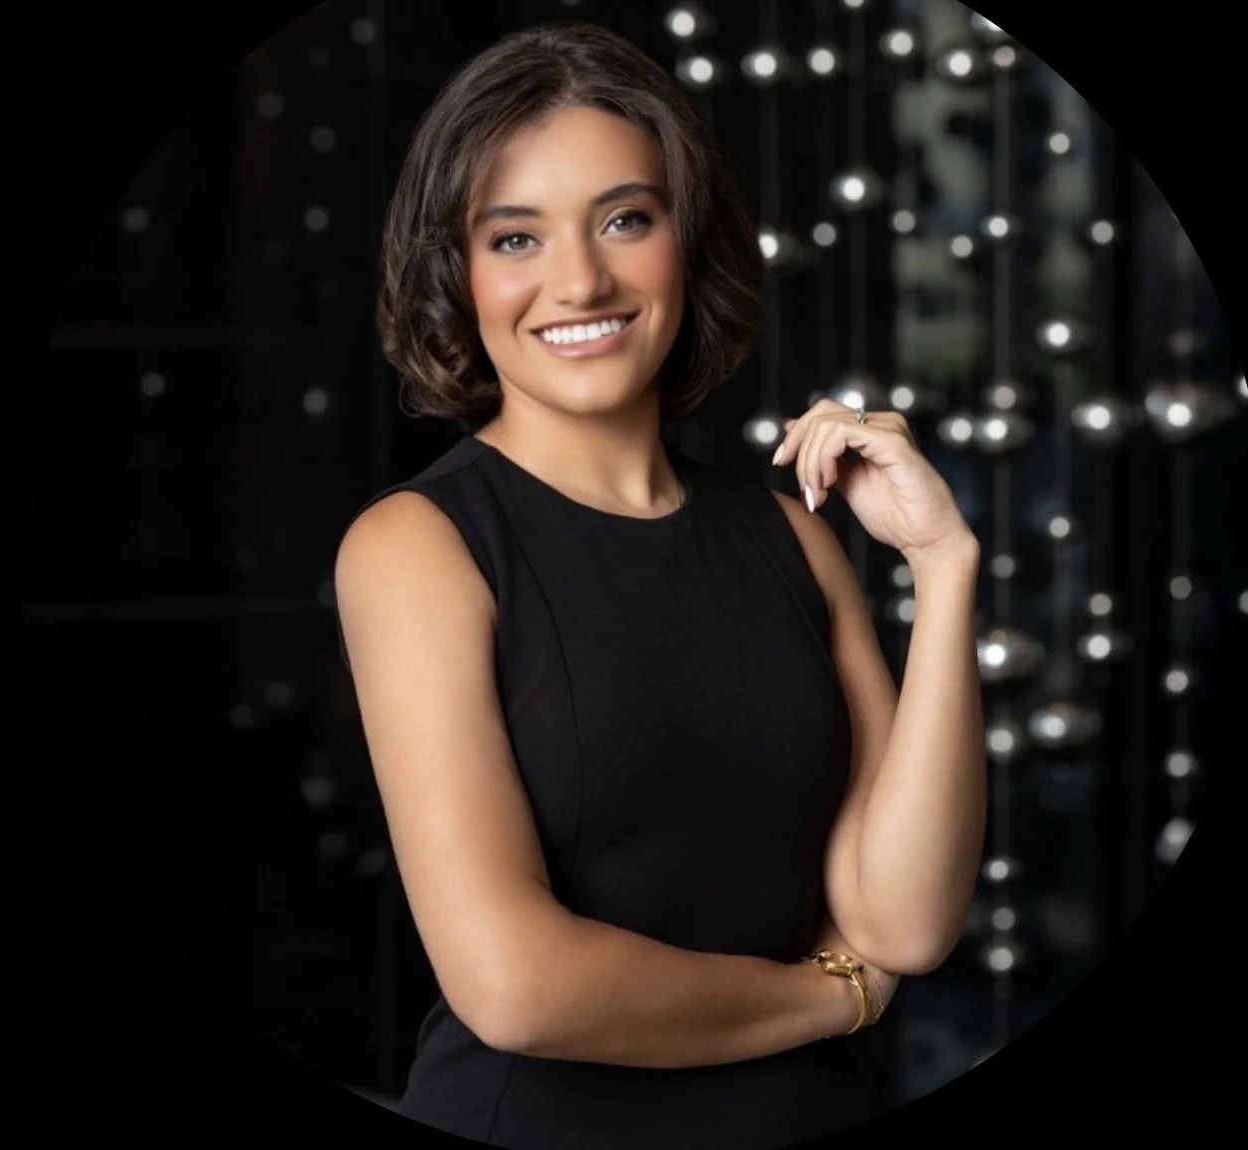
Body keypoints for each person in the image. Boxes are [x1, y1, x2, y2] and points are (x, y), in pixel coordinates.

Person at [333, 20, 987, 1150]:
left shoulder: (793, 533)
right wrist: (831, 998)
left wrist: (944, 566)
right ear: (458, 271)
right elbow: (516, 986)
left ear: (687, 242)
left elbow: (906, 917)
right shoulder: (419, 546)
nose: (579, 279)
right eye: (515, 237)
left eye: (625, 219)